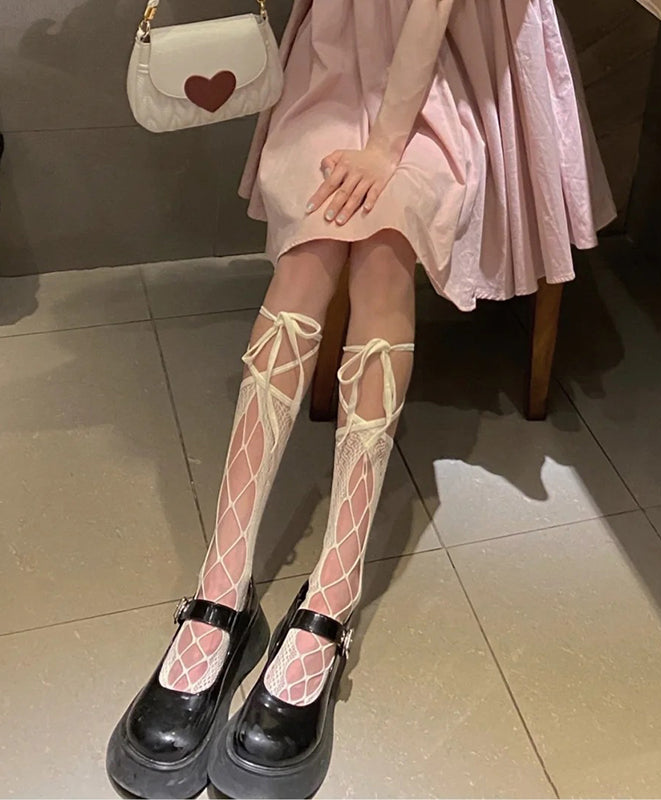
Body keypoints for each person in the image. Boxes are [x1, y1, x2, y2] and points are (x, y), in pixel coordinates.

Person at [106, 0, 616, 797]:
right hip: (337, 54)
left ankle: (333, 596)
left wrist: (384, 146)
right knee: (302, 264)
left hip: (448, 68)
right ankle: (221, 587)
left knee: (383, 257)